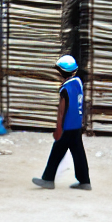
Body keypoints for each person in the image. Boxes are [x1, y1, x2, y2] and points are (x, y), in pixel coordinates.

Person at [32, 55, 91, 191]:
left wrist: (58, 128)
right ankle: (84, 181)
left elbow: (62, 111)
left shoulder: (65, 88)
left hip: (67, 126)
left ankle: (48, 179)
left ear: (61, 72)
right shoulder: (78, 83)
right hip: (76, 125)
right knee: (78, 153)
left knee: (56, 152)